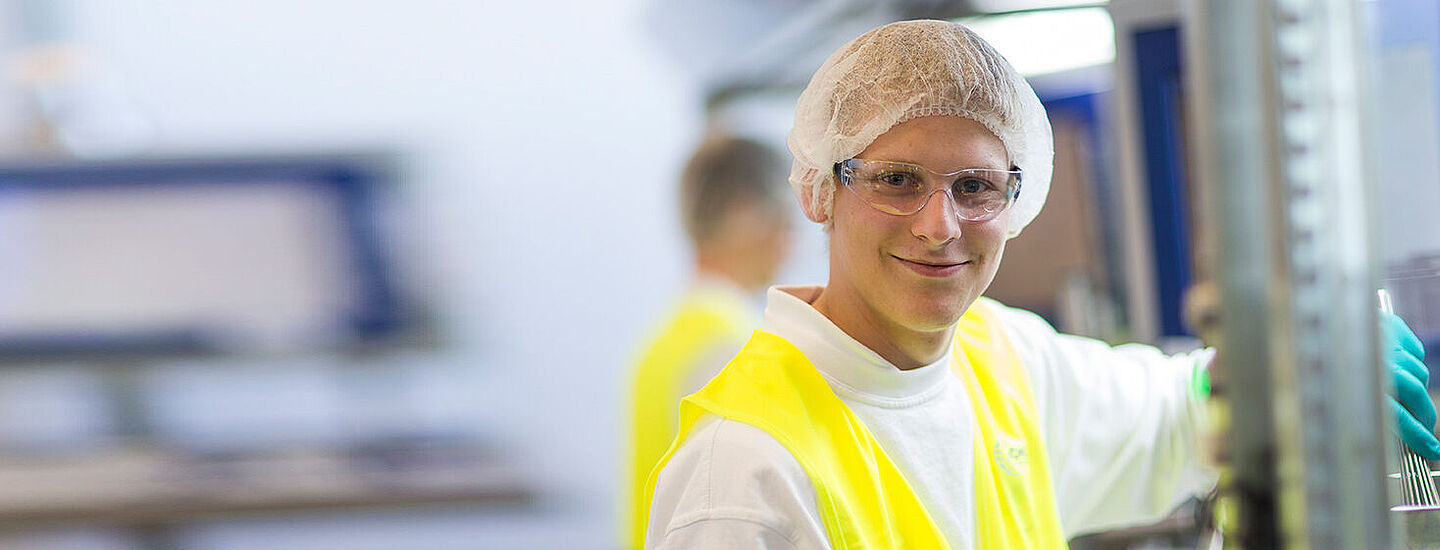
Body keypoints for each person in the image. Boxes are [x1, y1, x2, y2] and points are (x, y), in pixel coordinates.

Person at [638, 20, 1440, 549]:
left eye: (977, 188)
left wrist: (1304, 365)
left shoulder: (998, 358)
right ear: (819, 189)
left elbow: (1172, 414)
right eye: (896, 180)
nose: (939, 224)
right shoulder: (742, 479)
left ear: (1018, 201)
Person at [625, 135, 794, 547]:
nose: (792, 239)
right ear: (746, 215)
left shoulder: (662, 342)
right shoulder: (735, 350)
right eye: (785, 217)